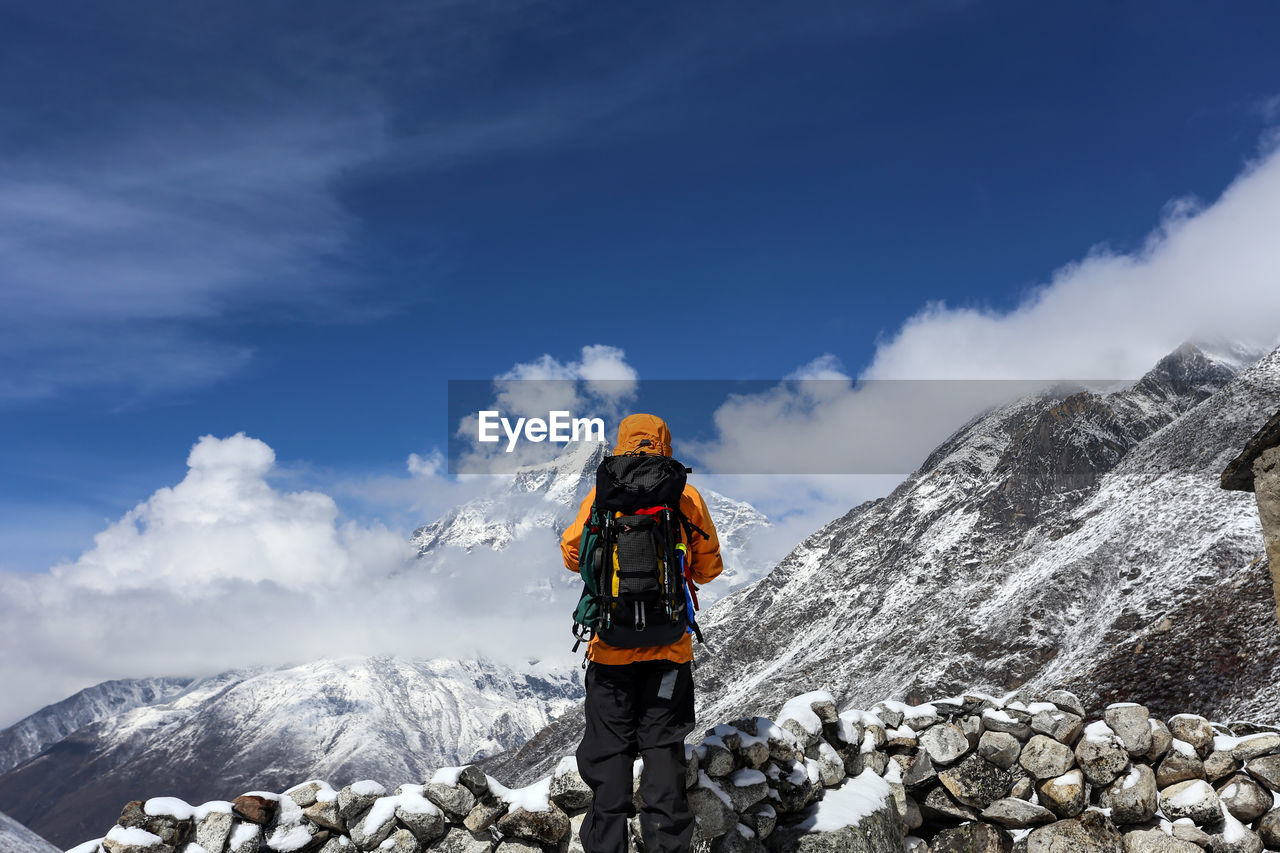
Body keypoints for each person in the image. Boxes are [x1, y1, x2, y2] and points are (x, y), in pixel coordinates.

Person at [561, 413, 723, 853]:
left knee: (608, 756)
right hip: (669, 652)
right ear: (664, 441)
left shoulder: (603, 491)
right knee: (663, 753)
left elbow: (573, 553)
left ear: (621, 441)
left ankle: (606, 845)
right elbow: (710, 568)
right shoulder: (683, 493)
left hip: (610, 651)